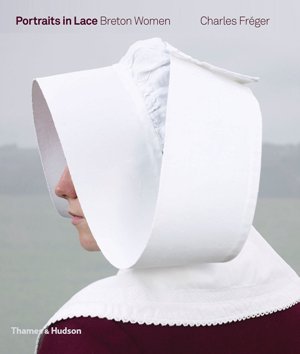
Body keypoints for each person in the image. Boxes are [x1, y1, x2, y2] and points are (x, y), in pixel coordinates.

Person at [32, 38, 300, 354]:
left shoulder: (86, 334)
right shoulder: (287, 296)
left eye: (90, 161)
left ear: (166, 172)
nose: (61, 187)